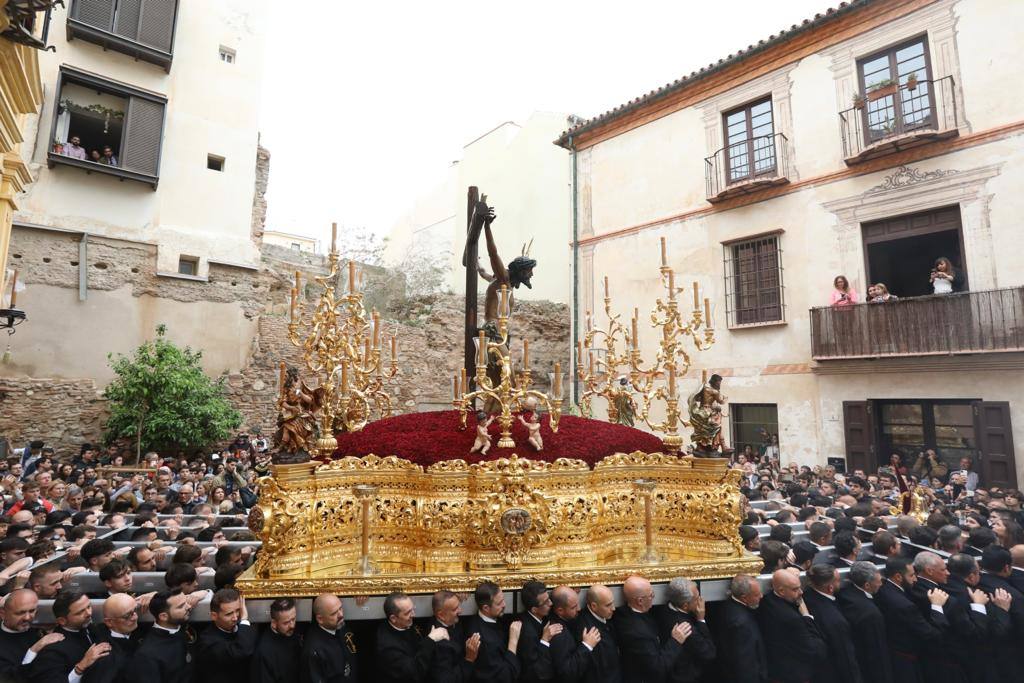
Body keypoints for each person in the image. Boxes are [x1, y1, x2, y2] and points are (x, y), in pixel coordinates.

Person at [613, 575, 690, 683]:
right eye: (651, 595)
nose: (653, 597)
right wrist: (676, 641)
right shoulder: (638, 634)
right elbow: (658, 668)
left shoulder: (622, 614)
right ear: (640, 601)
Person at [755, 569, 826, 683]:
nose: (801, 592)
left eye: (800, 586)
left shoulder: (766, 601)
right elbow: (816, 650)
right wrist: (807, 616)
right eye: (795, 589)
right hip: (794, 676)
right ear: (781, 591)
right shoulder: (793, 619)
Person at [31, 590, 110, 683]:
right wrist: (81, 667)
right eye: (80, 612)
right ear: (62, 621)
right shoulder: (52, 651)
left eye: (89, 607)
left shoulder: (93, 628)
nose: (88, 613)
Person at [803, 564, 863, 683]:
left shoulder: (807, 596)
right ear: (830, 588)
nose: (840, 584)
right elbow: (846, 658)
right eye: (838, 581)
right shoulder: (835, 620)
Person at [836, 562, 892, 683]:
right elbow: (878, 652)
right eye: (878, 581)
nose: (881, 584)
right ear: (867, 585)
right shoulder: (871, 614)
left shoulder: (844, 593)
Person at [375, 591, 447, 683]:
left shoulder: (405, 621)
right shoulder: (388, 646)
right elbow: (414, 673)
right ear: (393, 618)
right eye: (408, 613)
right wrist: (430, 640)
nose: (413, 614)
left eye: (413, 609)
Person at [655, 577, 714, 683]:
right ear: (685, 605)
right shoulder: (686, 628)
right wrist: (701, 619)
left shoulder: (663, 609)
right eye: (696, 598)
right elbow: (709, 653)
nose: (700, 599)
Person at [126, 591, 192, 682]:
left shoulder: (178, 623)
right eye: (181, 606)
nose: (189, 606)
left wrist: (206, 591)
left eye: (186, 602)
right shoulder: (147, 654)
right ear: (164, 616)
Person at [0, 589, 63, 683]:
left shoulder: (39, 631)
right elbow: (10, 678)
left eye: (32, 611)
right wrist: (34, 650)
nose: (27, 617)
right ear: (3, 614)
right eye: (20, 613)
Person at [193, 588, 256, 683]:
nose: (235, 617)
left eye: (238, 610)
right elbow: (242, 651)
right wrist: (244, 620)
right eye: (229, 614)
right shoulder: (208, 642)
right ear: (214, 616)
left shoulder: (241, 628)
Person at [712, 574, 765, 683]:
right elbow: (745, 663)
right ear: (744, 597)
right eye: (756, 594)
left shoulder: (726, 607)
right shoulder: (742, 624)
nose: (761, 596)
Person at [464, 581, 520, 683]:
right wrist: (513, 640)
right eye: (499, 603)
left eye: (503, 600)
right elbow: (506, 676)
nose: (504, 605)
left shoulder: (494, 616)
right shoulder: (484, 641)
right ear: (486, 608)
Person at [300, 594, 357, 683]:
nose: (341, 615)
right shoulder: (314, 650)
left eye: (340, 608)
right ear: (320, 619)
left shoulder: (340, 626)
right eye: (334, 613)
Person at [87, 592, 141, 683]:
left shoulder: (140, 629)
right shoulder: (104, 656)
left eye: (135, 610)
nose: (135, 617)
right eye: (127, 616)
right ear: (109, 622)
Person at [428, 589, 480, 683]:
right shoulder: (440, 645)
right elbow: (448, 679)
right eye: (455, 609)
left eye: (459, 605)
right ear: (441, 615)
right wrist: (469, 659)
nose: (460, 610)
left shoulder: (447, 618)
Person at [514, 580, 559, 683]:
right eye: (546, 602)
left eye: (549, 599)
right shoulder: (527, 634)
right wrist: (544, 640)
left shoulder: (540, 613)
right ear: (534, 609)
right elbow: (536, 672)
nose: (551, 603)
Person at [251, 598, 301, 683]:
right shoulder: (264, 652)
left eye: (293, 619)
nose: (292, 625)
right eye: (286, 623)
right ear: (274, 623)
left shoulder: (292, 631)